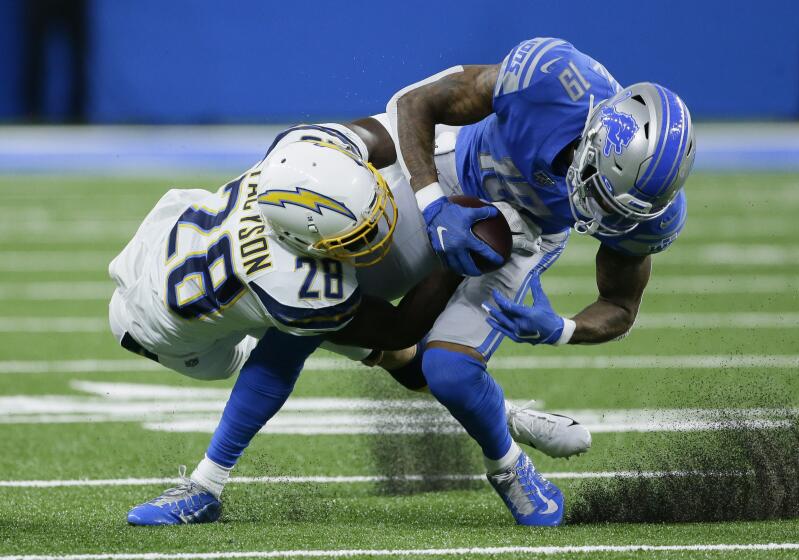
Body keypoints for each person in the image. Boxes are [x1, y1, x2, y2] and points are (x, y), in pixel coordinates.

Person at [112, 119, 592, 526]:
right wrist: (453, 259)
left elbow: (382, 133)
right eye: (362, 231)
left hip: (179, 224)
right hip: (170, 335)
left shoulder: (301, 154)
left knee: (388, 357)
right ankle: (204, 487)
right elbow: (401, 329)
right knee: (297, 343)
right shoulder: (292, 286)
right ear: (309, 244)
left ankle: (500, 420)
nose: (383, 226)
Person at [381, 36, 695, 526]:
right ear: (596, 139)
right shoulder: (552, 80)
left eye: (620, 209)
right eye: (604, 193)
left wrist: (561, 329)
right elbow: (415, 103)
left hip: (524, 231)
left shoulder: (647, 213)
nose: (602, 214)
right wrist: (431, 203)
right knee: (340, 283)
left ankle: (508, 469)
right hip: (450, 170)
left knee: (449, 371)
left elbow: (620, 303)